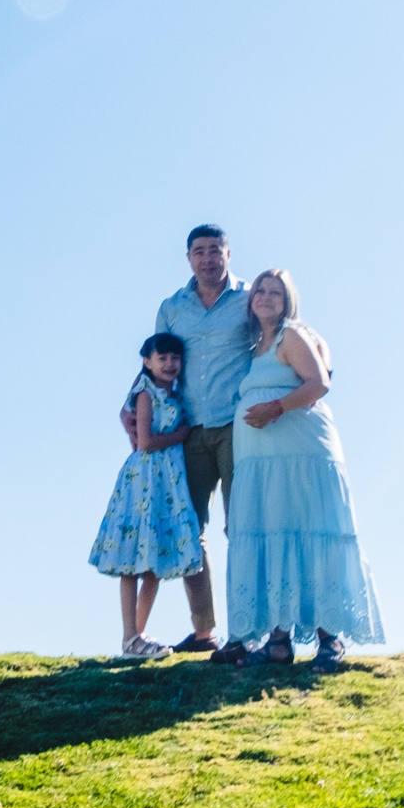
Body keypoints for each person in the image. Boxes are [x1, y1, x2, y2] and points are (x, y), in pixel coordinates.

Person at [219, 267, 383, 669]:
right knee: (275, 534)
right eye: (260, 291)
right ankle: (278, 641)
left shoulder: (292, 335)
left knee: (311, 532)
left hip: (301, 457)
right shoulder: (257, 345)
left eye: (276, 292)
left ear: (288, 300)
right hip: (262, 463)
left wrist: (275, 407)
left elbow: (318, 383)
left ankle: (330, 640)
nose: (266, 297)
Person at [141, 224, 253, 653]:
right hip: (185, 430)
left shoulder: (248, 299)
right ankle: (205, 631)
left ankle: (247, 630)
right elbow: (155, 362)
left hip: (238, 426)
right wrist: (132, 407)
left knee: (242, 527)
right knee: (190, 532)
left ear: (228, 253)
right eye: (198, 251)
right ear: (188, 258)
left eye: (214, 250)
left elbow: (277, 343)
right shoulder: (172, 307)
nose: (207, 258)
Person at [88, 333, 205, 657]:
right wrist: (182, 434)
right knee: (130, 560)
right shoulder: (145, 393)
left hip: (167, 484)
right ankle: (129, 636)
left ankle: (138, 636)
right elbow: (146, 442)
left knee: (154, 560)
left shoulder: (178, 395)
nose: (169, 364)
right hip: (144, 482)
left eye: (174, 358)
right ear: (147, 362)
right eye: (162, 358)